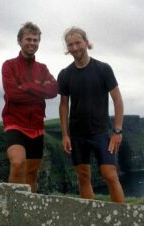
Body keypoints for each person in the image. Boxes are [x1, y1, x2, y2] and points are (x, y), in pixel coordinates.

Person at [58, 27, 125, 203]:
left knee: (110, 175)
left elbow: (118, 100)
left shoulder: (103, 69)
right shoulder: (65, 74)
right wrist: (65, 134)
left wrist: (117, 132)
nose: (74, 47)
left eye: (78, 42)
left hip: (101, 132)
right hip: (77, 134)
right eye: (70, 44)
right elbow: (64, 106)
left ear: (86, 43)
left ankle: (121, 219)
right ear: (67, 48)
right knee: (83, 176)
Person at [1, 22, 58, 192]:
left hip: (37, 126)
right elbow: (12, 94)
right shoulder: (9, 65)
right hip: (15, 123)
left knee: (31, 173)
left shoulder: (42, 68)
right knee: (18, 163)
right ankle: (12, 207)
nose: (32, 43)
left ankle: (28, 212)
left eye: (36, 40)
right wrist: (40, 89)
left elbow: (54, 90)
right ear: (19, 41)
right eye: (28, 39)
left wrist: (28, 86)